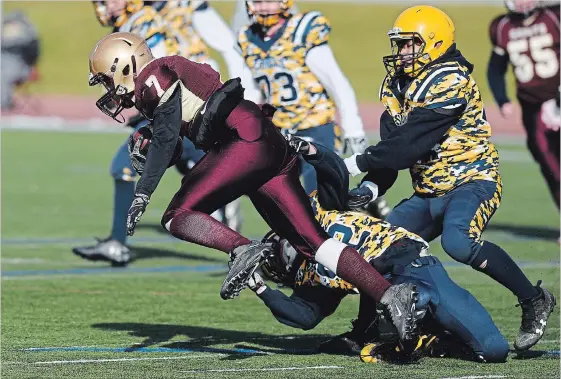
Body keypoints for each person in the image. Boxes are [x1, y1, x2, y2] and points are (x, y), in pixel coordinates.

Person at [87, 31, 420, 342]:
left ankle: (241, 247)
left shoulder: (153, 77)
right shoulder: (154, 87)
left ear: (124, 65)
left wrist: (144, 191)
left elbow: (166, 137)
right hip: (265, 142)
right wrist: (150, 144)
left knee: (177, 215)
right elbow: (174, 139)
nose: (106, 89)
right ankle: (390, 294)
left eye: (105, 79)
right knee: (314, 244)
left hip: (242, 140)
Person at [342, 5, 556, 351]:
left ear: (434, 43)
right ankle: (365, 325)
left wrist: (351, 164)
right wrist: (370, 185)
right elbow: (393, 145)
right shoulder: (397, 84)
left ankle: (533, 299)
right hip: (428, 191)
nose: (402, 52)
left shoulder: (449, 79)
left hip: (472, 180)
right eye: (400, 44)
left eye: (411, 44)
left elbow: (409, 144)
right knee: (378, 247)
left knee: (458, 242)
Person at [246, 137, 509, 363]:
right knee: (490, 348)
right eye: (276, 258)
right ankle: (424, 337)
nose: (283, 249)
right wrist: (260, 288)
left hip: (408, 261)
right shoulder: (312, 280)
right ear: (284, 271)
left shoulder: (314, 210)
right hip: (384, 289)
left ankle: (409, 313)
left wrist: (313, 151)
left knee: (493, 349)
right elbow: (303, 316)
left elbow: (334, 173)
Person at [487, 0, 560, 213]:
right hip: (532, 106)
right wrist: (502, 99)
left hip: (558, 96)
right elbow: (495, 69)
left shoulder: (554, 16)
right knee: (548, 163)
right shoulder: (502, 26)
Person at [1, 11, 40, 110]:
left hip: (20, 68)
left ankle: (4, 101)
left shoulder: (28, 34)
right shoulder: (5, 33)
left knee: (4, 73)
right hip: (7, 65)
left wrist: (32, 67)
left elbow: (32, 52)